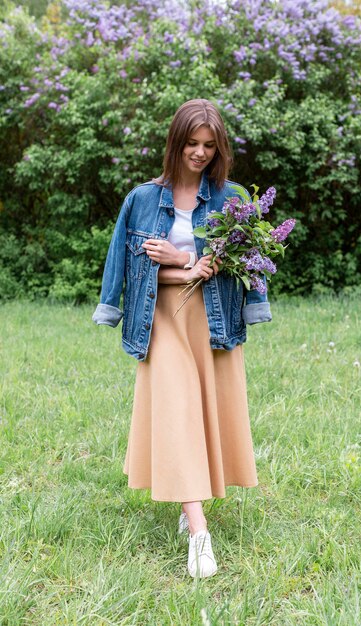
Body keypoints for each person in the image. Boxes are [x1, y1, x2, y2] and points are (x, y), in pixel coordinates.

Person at [92, 99, 272, 578]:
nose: (200, 153)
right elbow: (128, 263)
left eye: (209, 146)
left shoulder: (233, 198)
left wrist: (177, 261)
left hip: (211, 322)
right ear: (176, 142)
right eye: (192, 143)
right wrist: (185, 265)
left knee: (201, 416)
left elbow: (238, 264)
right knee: (176, 412)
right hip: (162, 321)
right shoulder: (142, 200)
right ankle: (199, 534)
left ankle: (186, 504)